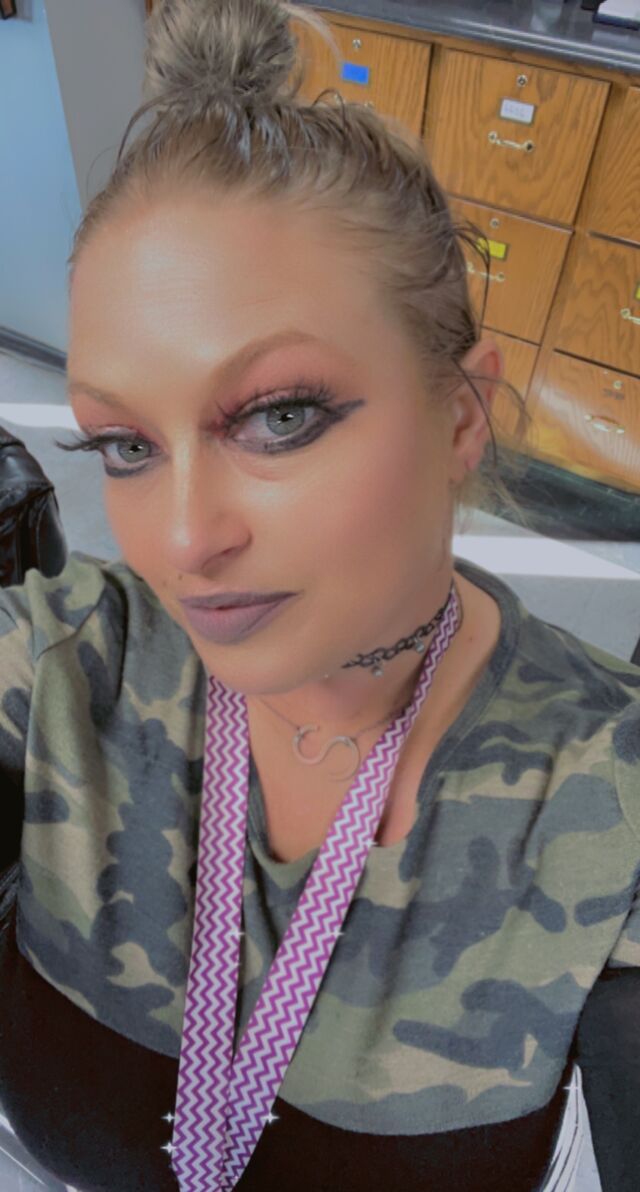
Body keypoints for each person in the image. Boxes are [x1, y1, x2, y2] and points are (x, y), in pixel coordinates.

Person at [0, 0, 639, 1188]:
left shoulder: (604, 787)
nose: (182, 541)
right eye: (125, 445)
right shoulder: (57, 668)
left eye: (280, 416)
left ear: (460, 415)